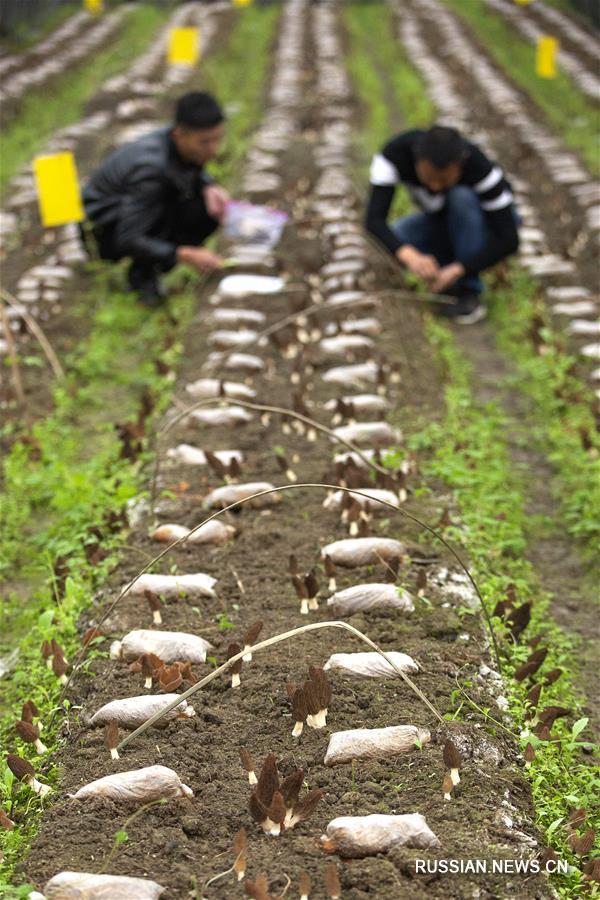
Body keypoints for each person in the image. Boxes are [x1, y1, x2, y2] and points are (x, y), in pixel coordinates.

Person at [82, 92, 228, 307]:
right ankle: (142, 278)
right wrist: (185, 254)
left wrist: (208, 185)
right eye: (205, 142)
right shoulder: (151, 171)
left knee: (207, 208)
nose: (213, 149)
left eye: (217, 139)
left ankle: (151, 267)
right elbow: (128, 237)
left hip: (134, 212)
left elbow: (188, 170)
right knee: (172, 206)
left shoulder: (176, 142)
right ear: (180, 134)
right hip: (104, 230)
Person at [365, 125, 519, 324]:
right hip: (444, 222)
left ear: (460, 166)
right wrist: (411, 257)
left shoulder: (479, 167)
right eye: (429, 178)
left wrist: (458, 269)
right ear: (417, 162)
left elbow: (509, 239)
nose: (435, 186)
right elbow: (374, 220)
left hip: (486, 225)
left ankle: (467, 290)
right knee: (399, 235)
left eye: (444, 180)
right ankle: (443, 267)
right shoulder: (394, 154)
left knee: (460, 197)